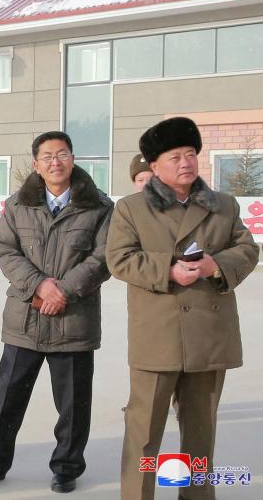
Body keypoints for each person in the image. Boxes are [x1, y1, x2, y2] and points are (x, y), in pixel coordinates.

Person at [106, 117, 258, 500]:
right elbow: (119, 259)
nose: (186, 163)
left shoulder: (222, 206)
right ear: (154, 166)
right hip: (158, 336)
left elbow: (247, 249)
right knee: (144, 432)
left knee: (200, 433)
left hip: (209, 336)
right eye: (175, 157)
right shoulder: (131, 208)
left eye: (191, 154)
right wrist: (168, 269)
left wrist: (215, 266)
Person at [0, 131, 113, 494]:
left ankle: (66, 467)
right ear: (36, 164)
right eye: (47, 156)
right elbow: (6, 251)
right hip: (25, 318)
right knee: (7, 397)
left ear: (72, 158)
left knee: (73, 403)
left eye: (62, 154)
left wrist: (63, 289)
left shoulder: (99, 206)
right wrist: (39, 285)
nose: (55, 162)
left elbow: (104, 256)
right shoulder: (18, 205)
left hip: (73, 319)